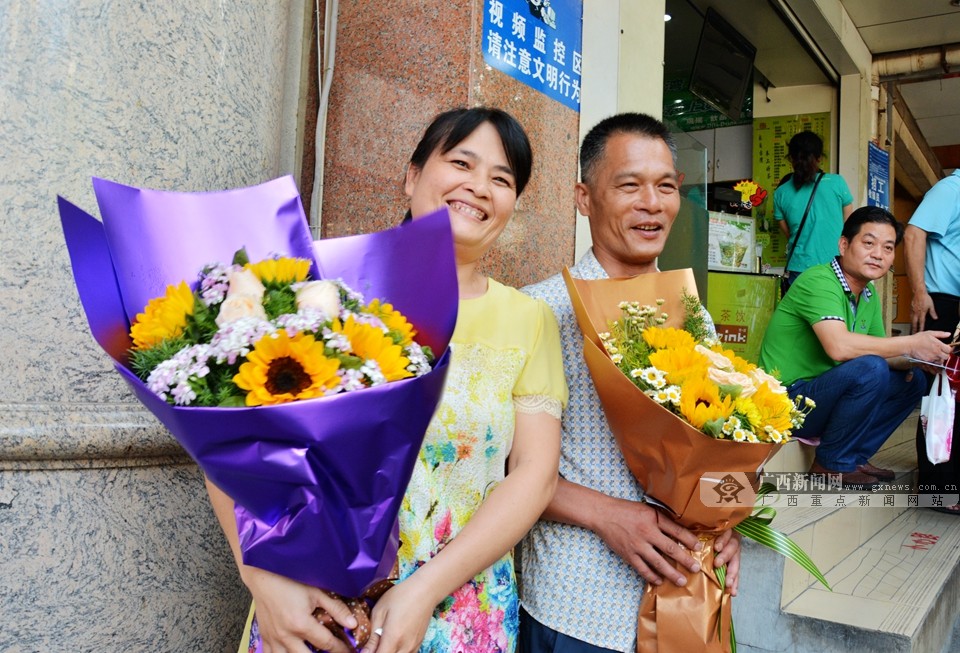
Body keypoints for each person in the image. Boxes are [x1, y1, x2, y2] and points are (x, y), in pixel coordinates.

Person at [206, 107, 568, 653]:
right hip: (310, 610)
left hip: (460, 614)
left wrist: (423, 591)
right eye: (462, 163)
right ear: (412, 174)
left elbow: (534, 477)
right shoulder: (319, 289)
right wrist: (259, 576)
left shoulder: (530, 320)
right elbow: (227, 441)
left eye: (502, 179)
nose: (479, 187)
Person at [520, 112, 742, 653]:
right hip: (577, 600)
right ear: (583, 197)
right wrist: (608, 515)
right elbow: (499, 464)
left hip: (686, 597)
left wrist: (725, 523)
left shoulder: (694, 315)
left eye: (665, 186)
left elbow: (716, 446)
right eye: (629, 185)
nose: (652, 203)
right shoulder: (542, 310)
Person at [759, 206, 952, 488]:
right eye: (869, 243)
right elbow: (838, 347)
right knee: (869, 369)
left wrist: (918, 358)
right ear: (844, 244)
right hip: (786, 401)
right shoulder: (818, 280)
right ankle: (831, 463)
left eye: (887, 248)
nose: (878, 254)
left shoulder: (868, 293)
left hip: (822, 397)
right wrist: (912, 341)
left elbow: (884, 353)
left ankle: (853, 456)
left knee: (914, 380)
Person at [905, 168, 960, 509]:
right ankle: (937, 487)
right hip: (943, 303)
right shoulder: (951, 188)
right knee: (941, 395)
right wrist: (919, 292)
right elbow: (913, 234)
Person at [775, 131, 854, 290]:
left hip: (799, 269)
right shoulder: (837, 183)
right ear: (819, 158)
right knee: (831, 313)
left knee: (800, 314)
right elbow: (849, 226)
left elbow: (789, 233)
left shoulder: (781, 193)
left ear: (791, 158)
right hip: (834, 267)